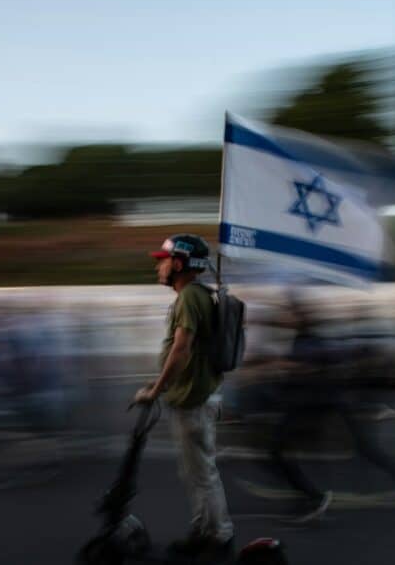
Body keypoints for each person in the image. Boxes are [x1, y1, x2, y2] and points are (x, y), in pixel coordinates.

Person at [260, 287, 395, 522]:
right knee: (359, 447)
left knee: (277, 450)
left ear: (298, 314)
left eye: (287, 312)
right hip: (316, 403)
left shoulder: (311, 338)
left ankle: (312, 497)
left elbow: (324, 361)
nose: (283, 317)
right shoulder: (302, 337)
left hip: (316, 403)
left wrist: (291, 367)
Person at [134, 234, 235, 560]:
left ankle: (218, 538)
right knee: (196, 472)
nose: (158, 267)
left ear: (179, 263)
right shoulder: (195, 295)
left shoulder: (190, 296)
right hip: (193, 396)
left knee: (201, 474)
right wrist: (160, 382)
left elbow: (181, 348)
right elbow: (186, 355)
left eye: (162, 260)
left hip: (193, 400)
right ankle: (204, 531)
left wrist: (157, 389)